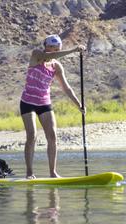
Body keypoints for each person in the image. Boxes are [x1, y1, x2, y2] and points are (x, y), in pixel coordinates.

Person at [20, 34, 86, 179]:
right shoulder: (37, 55)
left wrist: (79, 105)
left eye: (56, 48)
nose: (53, 50)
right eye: (51, 47)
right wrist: (73, 50)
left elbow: (66, 88)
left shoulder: (56, 66)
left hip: (44, 103)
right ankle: (30, 173)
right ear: (45, 46)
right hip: (28, 102)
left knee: (52, 137)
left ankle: (53, 173)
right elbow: (51, 56)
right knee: (32, 135)